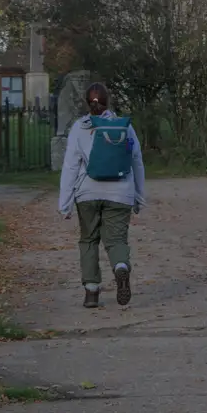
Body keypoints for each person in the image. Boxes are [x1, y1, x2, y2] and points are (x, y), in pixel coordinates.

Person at [57, 82, 146, 308]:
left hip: (87, 193)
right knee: (116, 240)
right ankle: (121, 267)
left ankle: (91, 292)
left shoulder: (80, 127)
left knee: (88, 240)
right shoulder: (124, 126)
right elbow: (136, 161)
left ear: (87, 103)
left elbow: (70, 167)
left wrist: (64, 203)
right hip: (121, 192)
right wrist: (138, 196)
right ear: (109, 101)